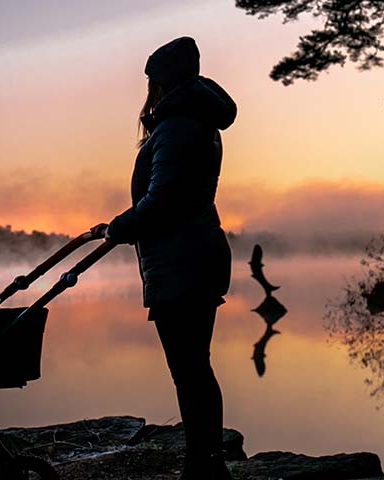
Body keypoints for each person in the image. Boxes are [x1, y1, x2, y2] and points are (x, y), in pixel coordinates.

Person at [93, 36, 236, 479]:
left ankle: (203, 465)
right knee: (196, 366)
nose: (149, 89)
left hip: (182, 263)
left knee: (189, 369)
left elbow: (163, 202)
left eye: (153, 79)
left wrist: (117, 227)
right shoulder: (196, 123)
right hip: (195, 257)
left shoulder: (176, 128)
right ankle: (206, 460)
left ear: (165, 81)